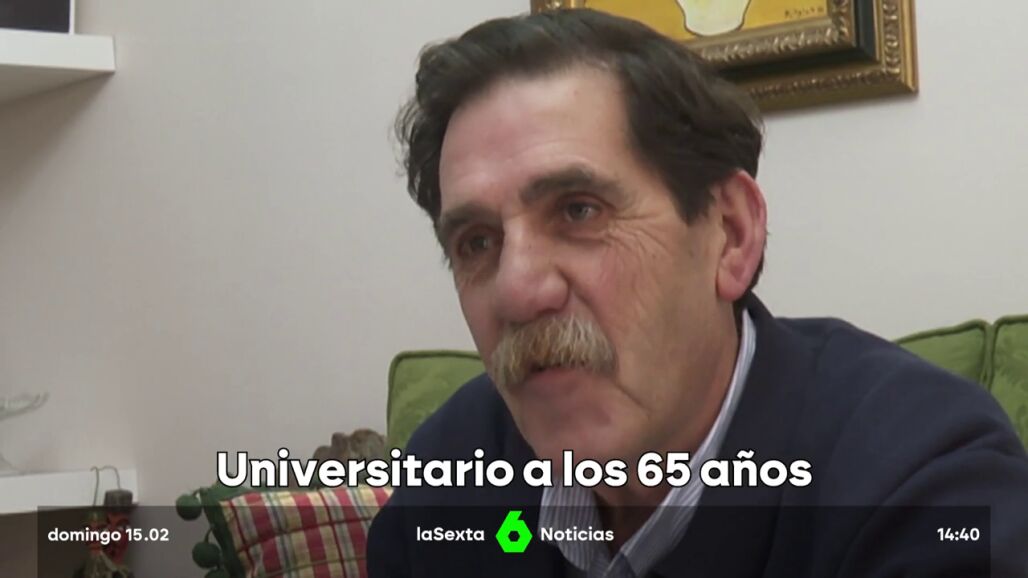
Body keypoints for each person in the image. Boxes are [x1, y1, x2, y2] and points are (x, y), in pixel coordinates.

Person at [368, 8, 1028, 578]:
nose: (517, 291)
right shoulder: (451, 472)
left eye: (578, 211)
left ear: (731, 235)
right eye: (477, 243)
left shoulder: (920, 480)